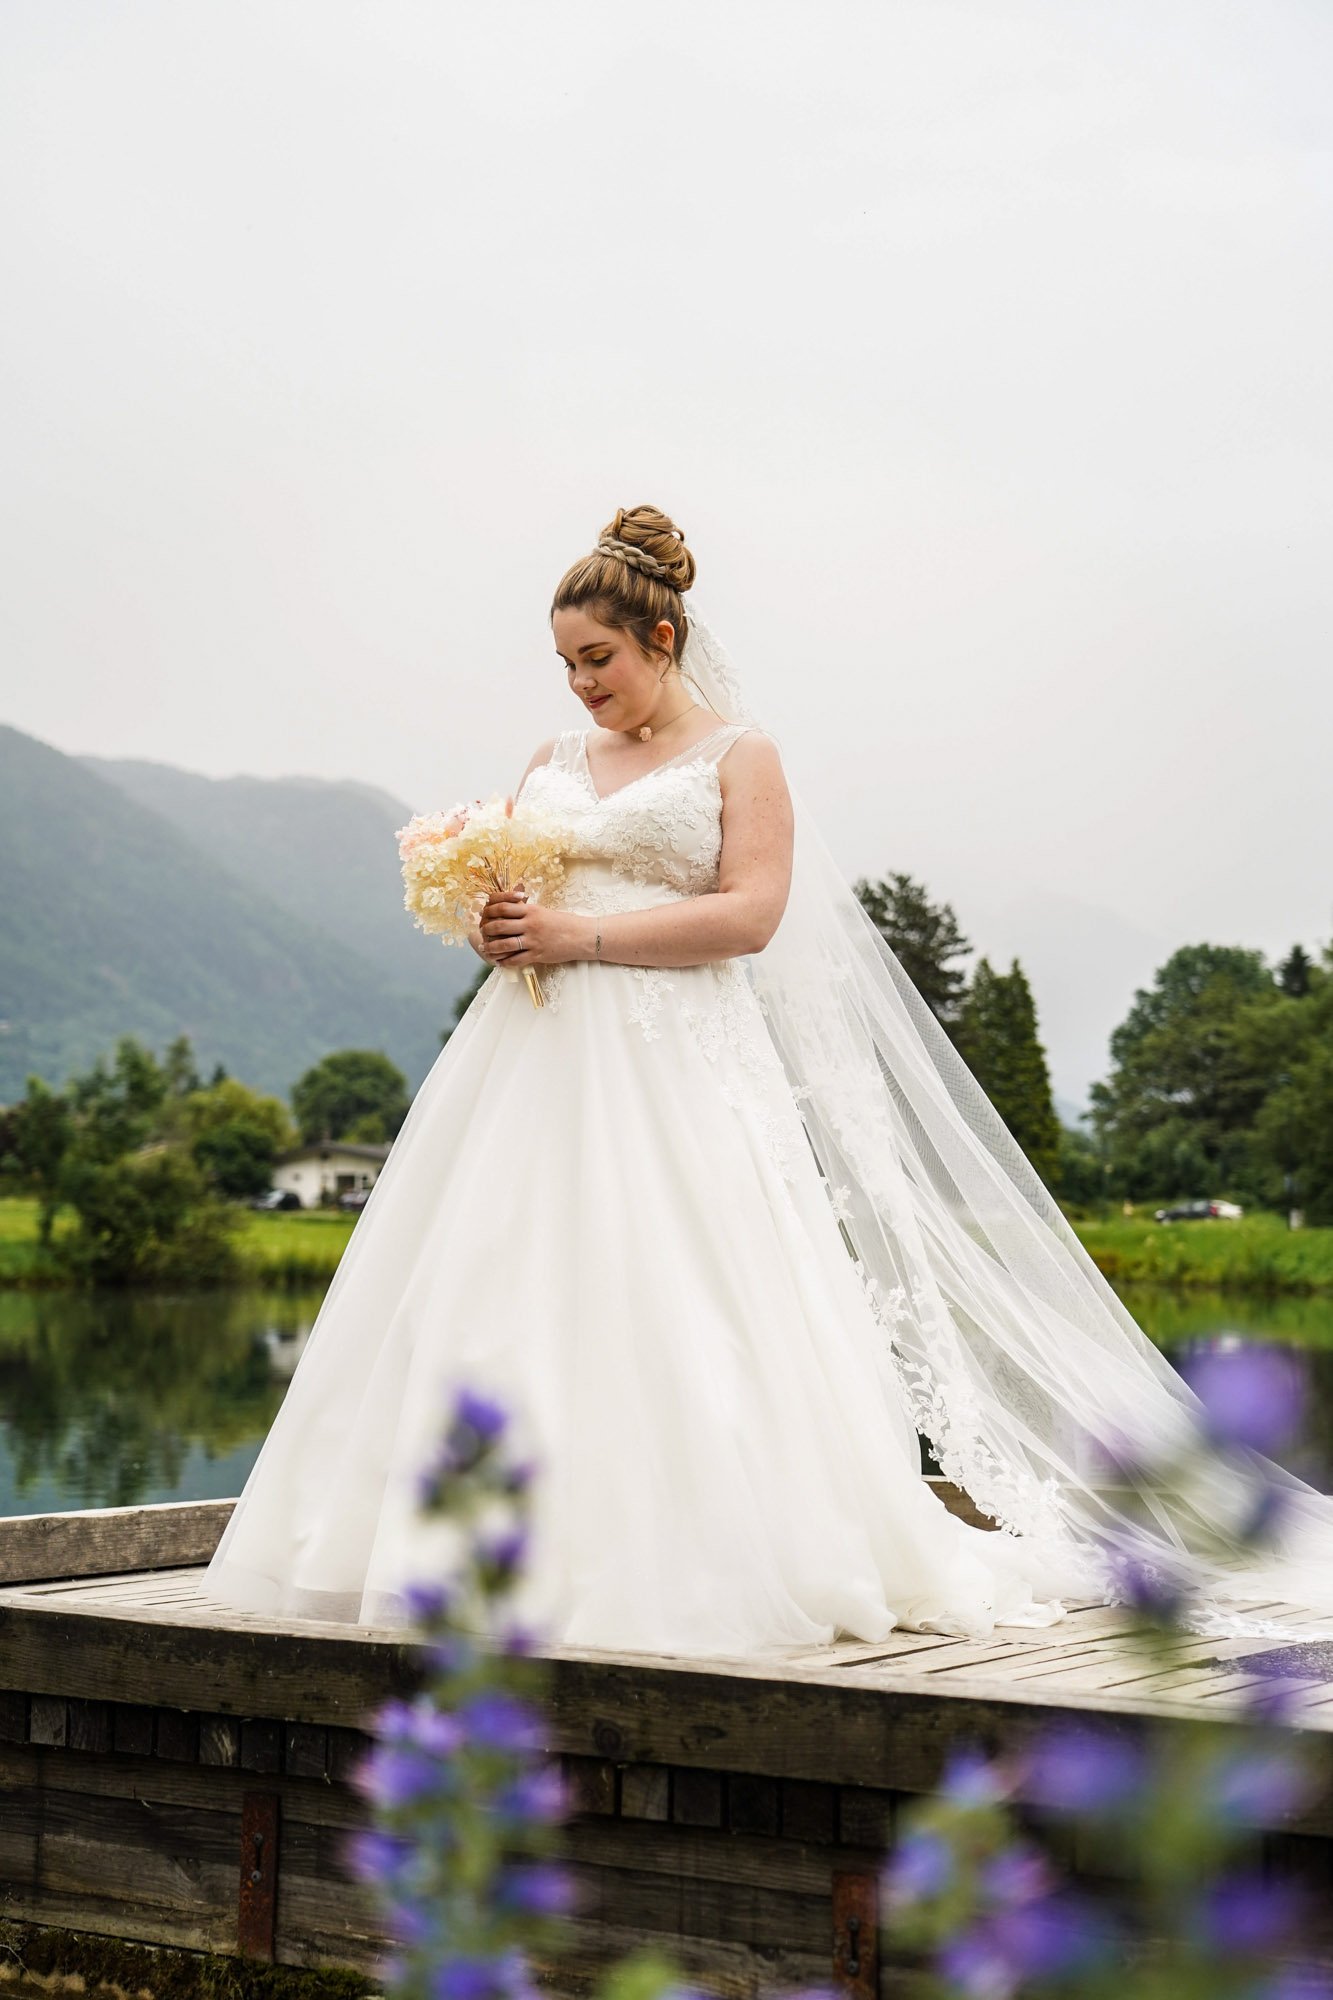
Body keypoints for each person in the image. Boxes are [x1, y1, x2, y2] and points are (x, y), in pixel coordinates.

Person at [204, 505, 1333, 1656]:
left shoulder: (741, 757)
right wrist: (500, 924)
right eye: (565, 665)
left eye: (599, 659)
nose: (581, 686)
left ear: (660, 636)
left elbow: (750, 913)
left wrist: (579, 937)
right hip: (527, 1058)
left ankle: (691, 1555)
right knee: (493, 1271)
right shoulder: (550, 762)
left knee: (684, 1286)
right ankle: (457, 1548)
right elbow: (530, 890)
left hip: (674, 1053)